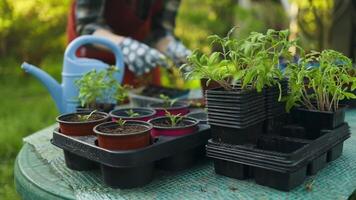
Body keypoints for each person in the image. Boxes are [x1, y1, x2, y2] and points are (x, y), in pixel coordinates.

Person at [67, 0, 191, 86]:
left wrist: (173, 48)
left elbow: (160, 31)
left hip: (143, 62)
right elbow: (88, 26)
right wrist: (127, 47)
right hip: (95, 62)